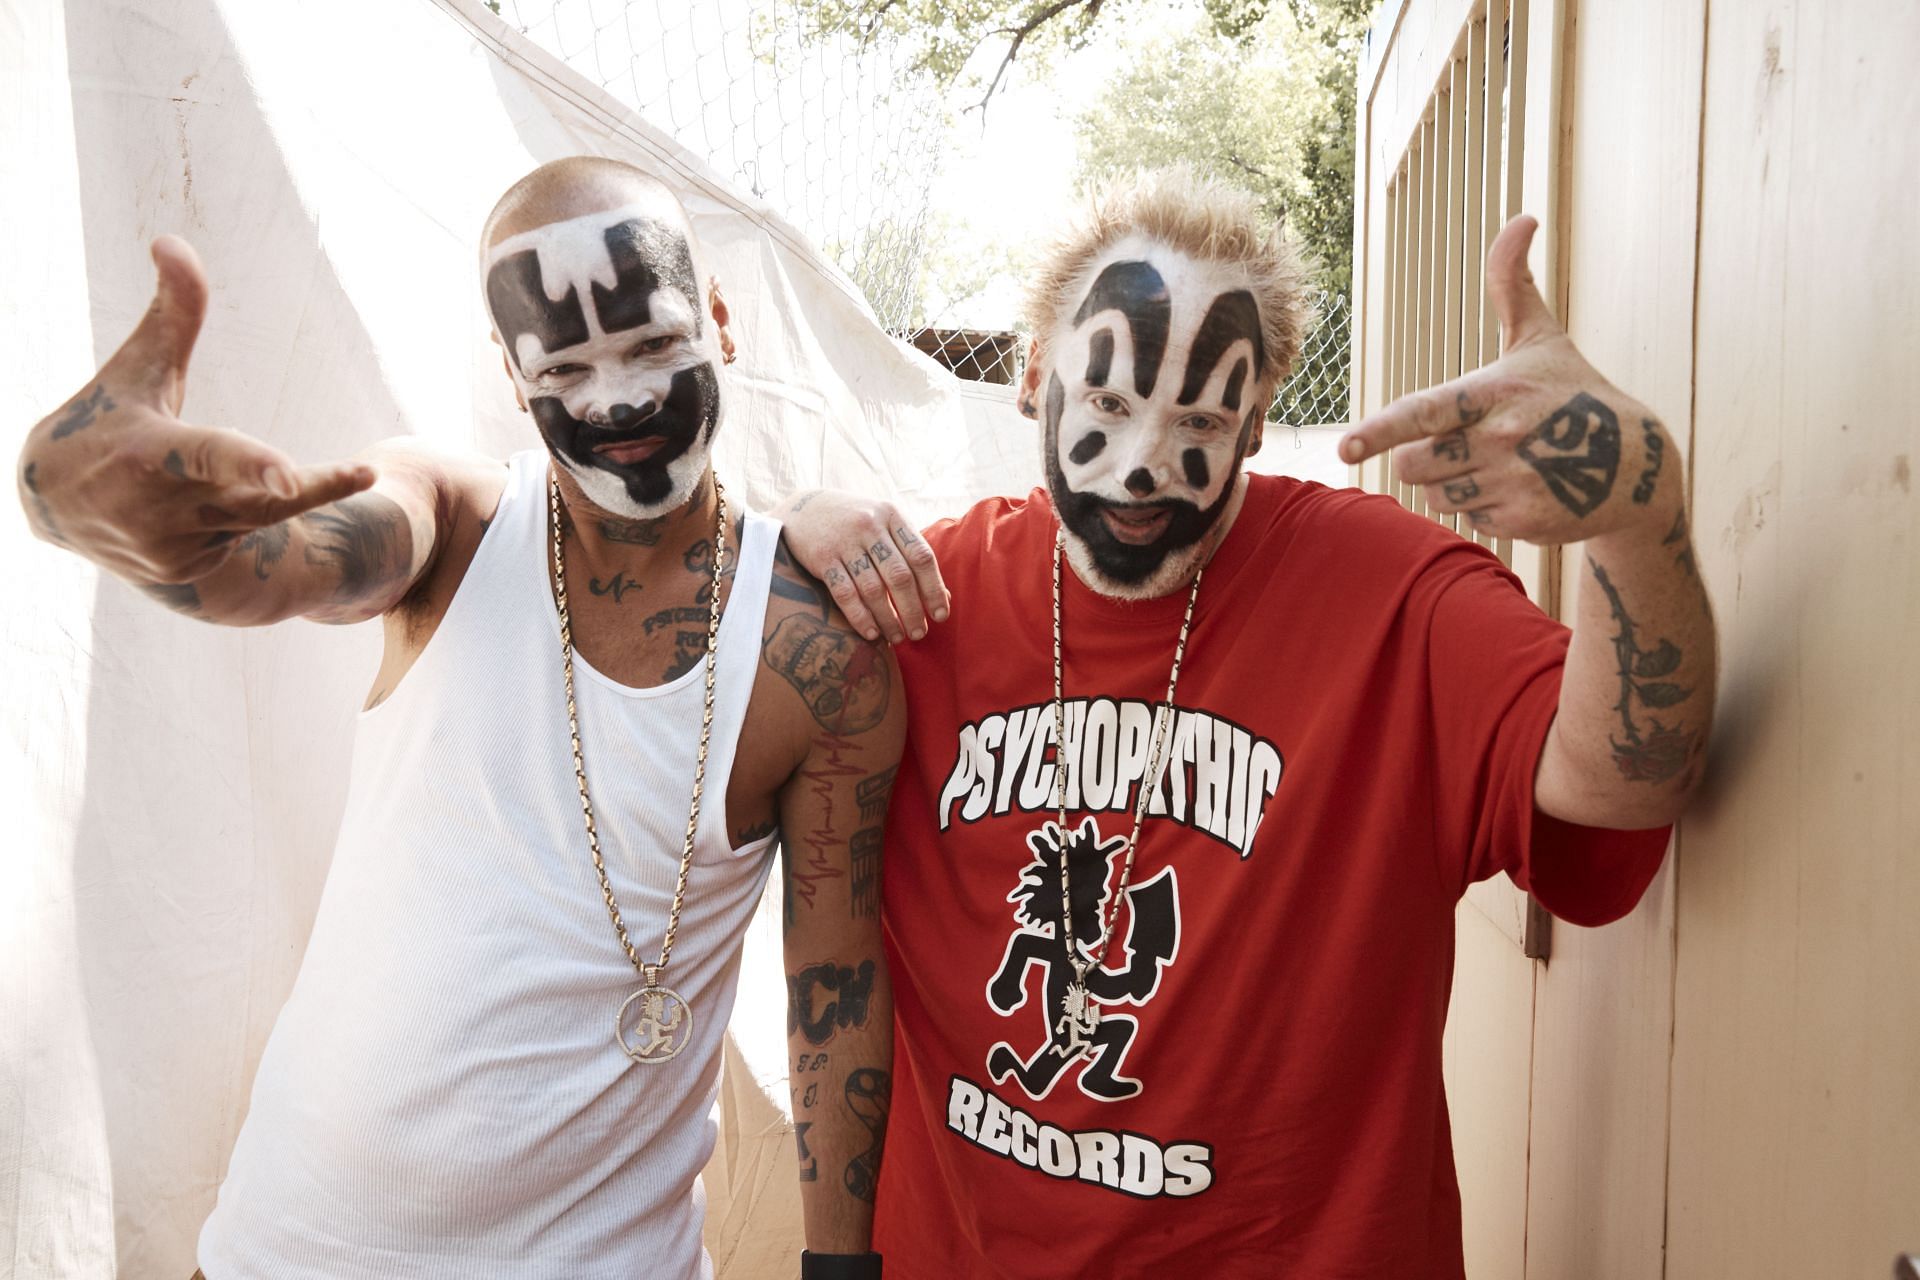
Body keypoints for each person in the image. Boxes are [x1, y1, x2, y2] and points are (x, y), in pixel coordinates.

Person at [778, 166, 1716, 1277]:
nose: (1140, 467)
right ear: (1033, 379)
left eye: (1199, 417)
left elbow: (1622, 783)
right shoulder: (920, 601)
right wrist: (791, 532)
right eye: (1111, 404)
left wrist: (1639, 522)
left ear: (1259, 421)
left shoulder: (1397, 596)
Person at [17, 156, 900, 1280]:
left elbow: (838, 976)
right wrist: (123, 521)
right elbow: (287, 564)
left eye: (649, 344)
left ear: (722, 320)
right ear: (512, 371)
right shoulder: (456, 520)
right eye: (567, 364)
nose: (617, 400)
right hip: (279, 1252)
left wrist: (839, 1269)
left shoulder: (817, 652)